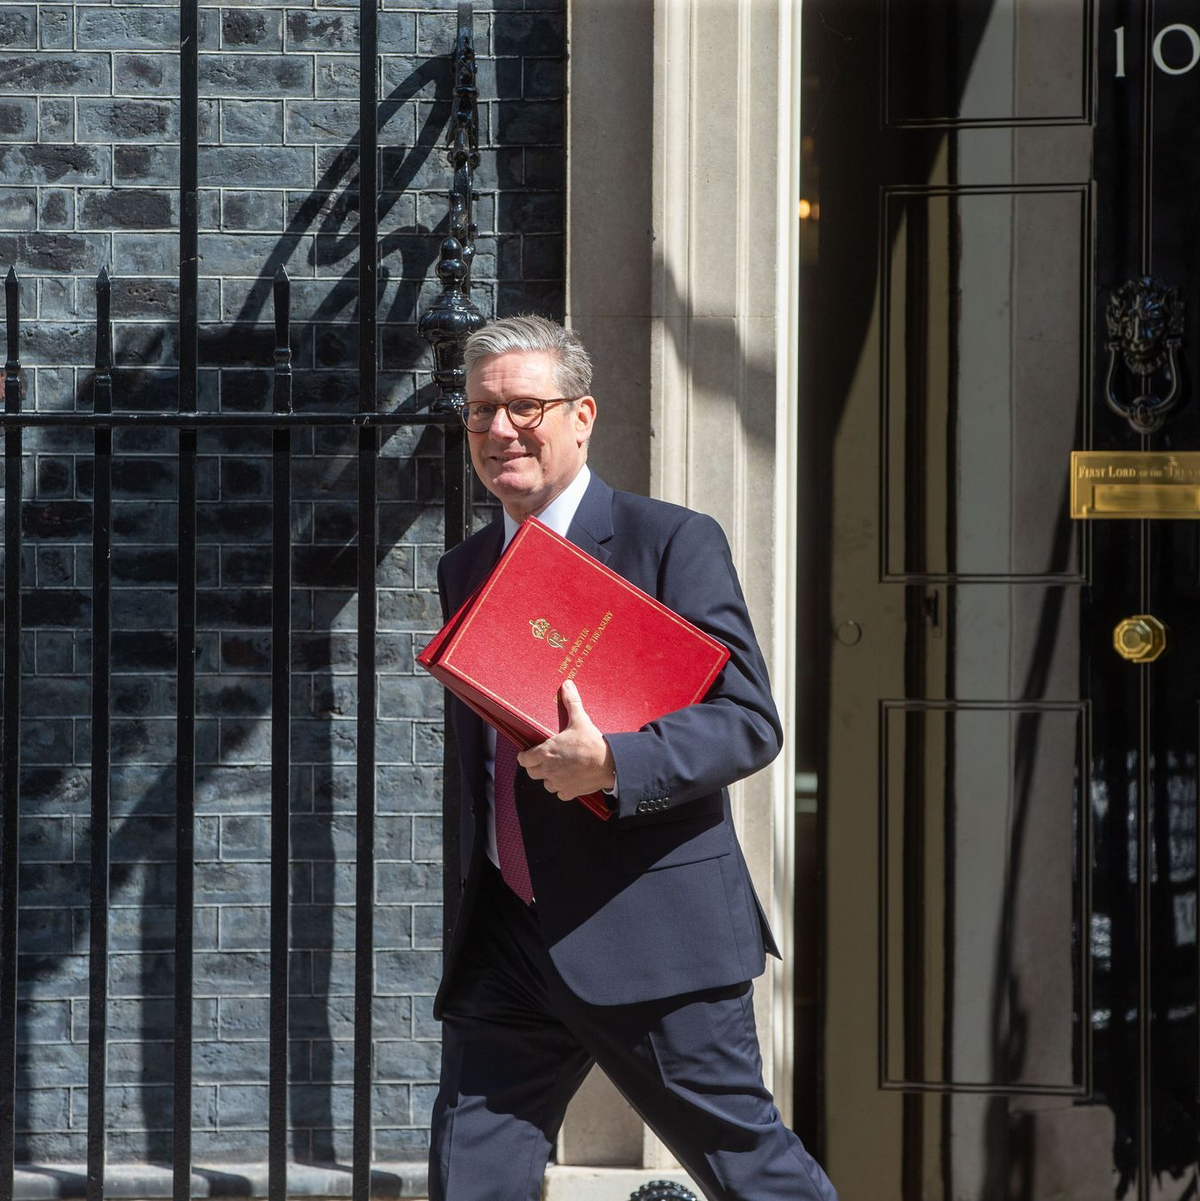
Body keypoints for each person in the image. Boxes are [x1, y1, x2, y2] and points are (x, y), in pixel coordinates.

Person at [428, 315, 837, 1201]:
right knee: (470, 1179)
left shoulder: (669, 541)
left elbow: (747, 720)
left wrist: (613, 761)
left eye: (526, 408)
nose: (501, 430)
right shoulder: (466, 567)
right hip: (507, 934)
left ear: (583, 416)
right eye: (481, 412)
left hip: (647, 924)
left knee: (751, 1169)